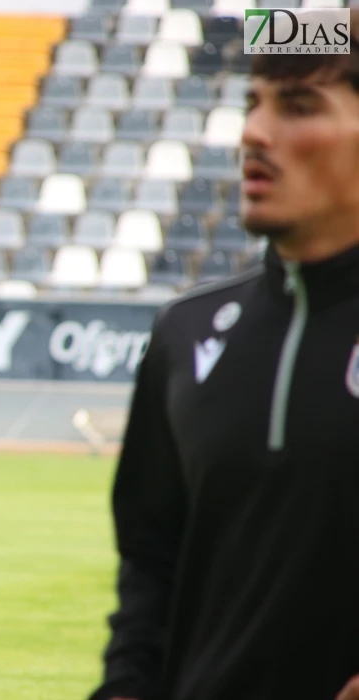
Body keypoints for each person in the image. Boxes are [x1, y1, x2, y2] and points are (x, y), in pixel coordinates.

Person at [90, 14, 359, 700]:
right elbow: (150, 562)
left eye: (298, 106)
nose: (255, 133)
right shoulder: (185, 332)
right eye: (252, 103)